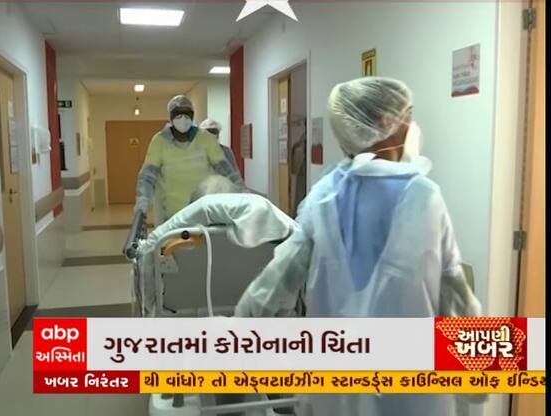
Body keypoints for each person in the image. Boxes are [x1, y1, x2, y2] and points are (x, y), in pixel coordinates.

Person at [235, 77, 481, 416]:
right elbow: (456, 297)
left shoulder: (322, 197)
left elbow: (267, 293)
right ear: (386, 122)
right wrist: (476, 382)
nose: (412, 125)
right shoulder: (424, 196)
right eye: (408, 115)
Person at [134, 96, 245, 225]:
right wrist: (142, 201)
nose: (183, 118)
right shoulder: (159, 141)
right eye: (178, 114)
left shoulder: (205, 138)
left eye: (187, 113)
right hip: (171, 213)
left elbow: (226, 169)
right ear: (170, 116)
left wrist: (241, 191)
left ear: (192, 115)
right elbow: (148, 175)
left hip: (201, 210)